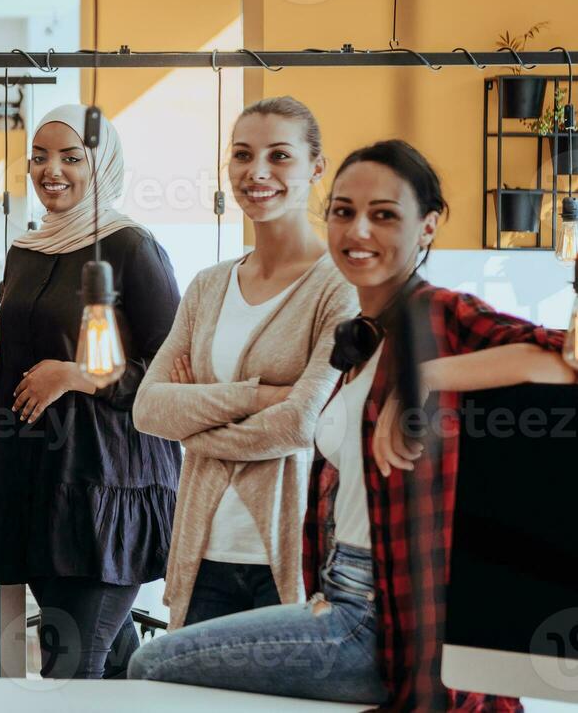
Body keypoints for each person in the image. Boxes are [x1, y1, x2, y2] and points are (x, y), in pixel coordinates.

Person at [131, 140, 572, 710]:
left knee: (153, 662)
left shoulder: (436, 314)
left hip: (388, 623)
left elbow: (569, 355)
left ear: (428, 227)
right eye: (343, 211)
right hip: (339, 597)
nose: (358, 230)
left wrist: (423, 377)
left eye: (384, 214)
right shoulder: (361, 337)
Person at [133, 97, 358, 629]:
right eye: (242, 155)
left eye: (280, 156)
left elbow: (304, 421)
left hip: (292, 560)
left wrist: (194, 428)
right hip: (202, 554)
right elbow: (148, 408)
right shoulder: (208, 286)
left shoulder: (339, 286)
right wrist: (259, 397)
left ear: (316, 168)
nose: (257, 172)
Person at [0, 104, 181, 679]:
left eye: (71, 157)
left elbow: (176, 373)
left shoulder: (132, 246)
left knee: (69, 666)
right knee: (108, 661)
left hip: (108, 484)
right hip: (36, 483)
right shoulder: (25, 252)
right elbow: (14, 362)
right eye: (39, 158)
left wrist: (74, 374)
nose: (51, 170)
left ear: (102, 162)